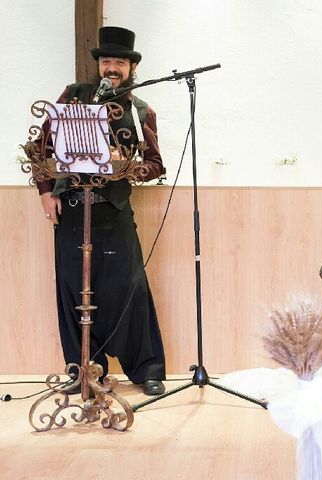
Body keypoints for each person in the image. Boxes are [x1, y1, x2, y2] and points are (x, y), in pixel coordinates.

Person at [35, 26, 167, 396]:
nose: (112, 67)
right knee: (73, 290)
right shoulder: (73, 96)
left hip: (115, 210)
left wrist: (124, 167)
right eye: (106, 60)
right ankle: (84, 372)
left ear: (131, 67)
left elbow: (156, 164)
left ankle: (147, 369)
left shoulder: (141, 110)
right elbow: (41, 145)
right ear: (99, 65)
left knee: (130, 289)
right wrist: (46, 192)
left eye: (119, 62)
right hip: (73, 211)